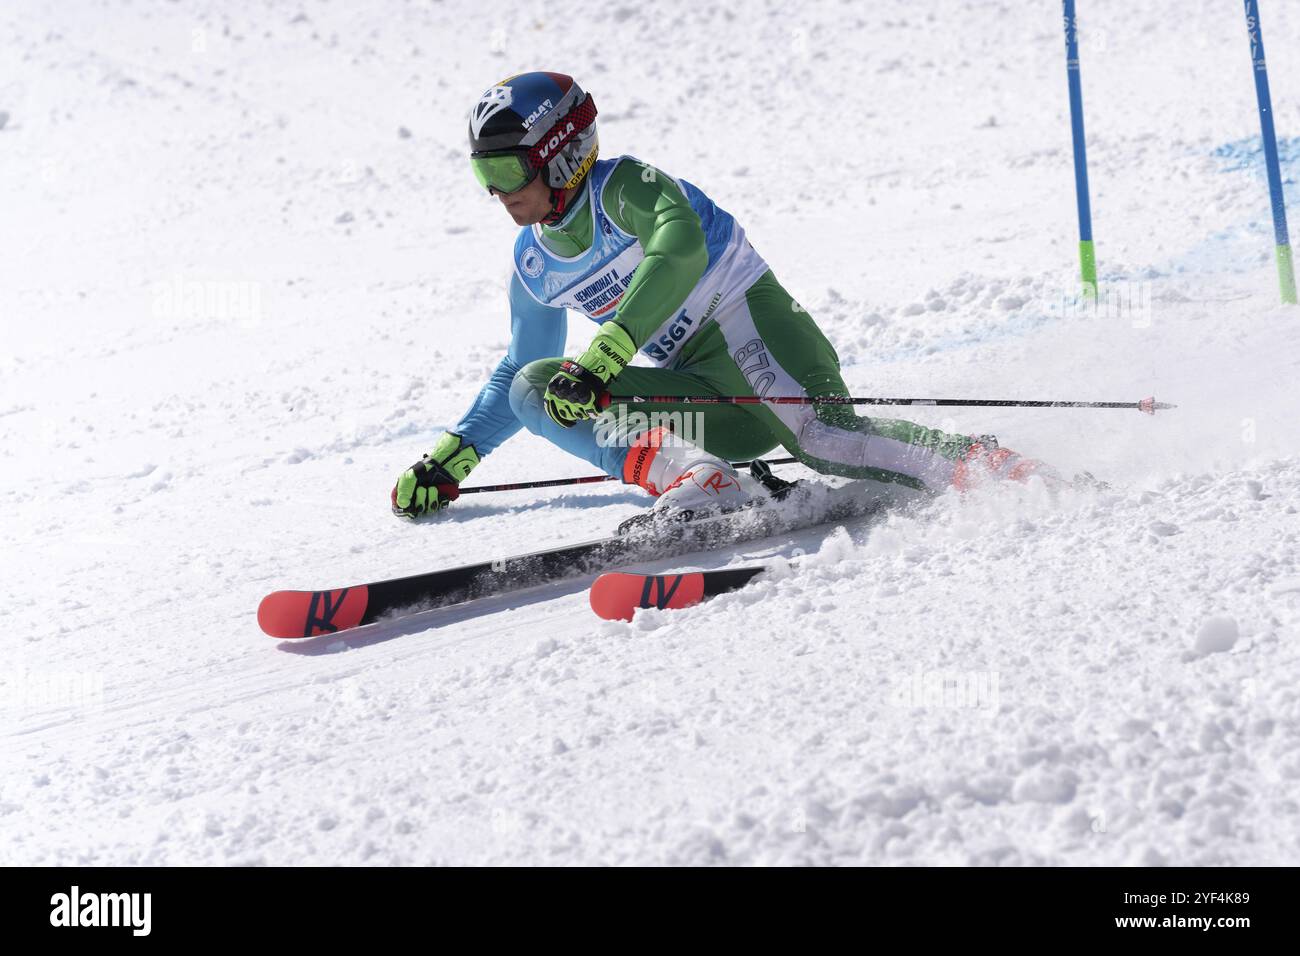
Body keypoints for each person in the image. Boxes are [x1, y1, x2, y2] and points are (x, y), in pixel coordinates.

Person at [392, 71, 1045, 520]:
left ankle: (998, 469)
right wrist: (453, 458)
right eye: (484, 174)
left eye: (507, 170)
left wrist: (607, 353)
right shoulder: (534, 261)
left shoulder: (628, 188)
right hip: (709, 402)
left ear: (560, 155)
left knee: (825, 439)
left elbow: (679, 249)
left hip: (755, 333)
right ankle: (696, 476)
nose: (498, 192)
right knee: (534, 387)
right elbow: (519, 364)